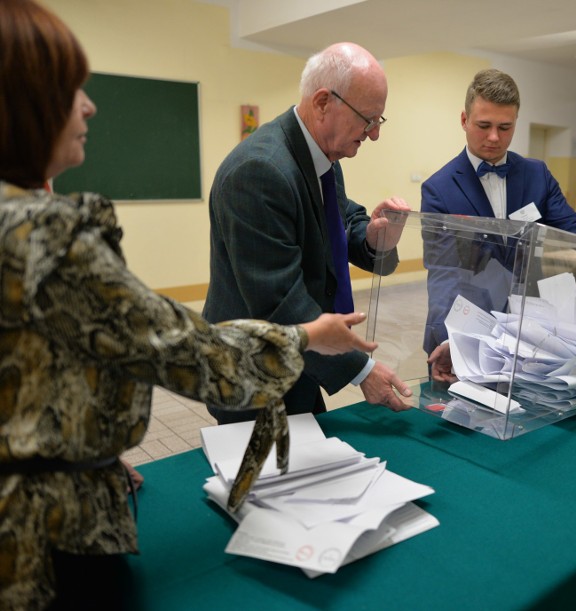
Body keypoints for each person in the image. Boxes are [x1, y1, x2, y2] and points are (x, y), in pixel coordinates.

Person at [0, 1, 379, 608]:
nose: (90, 105)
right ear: (25, 104)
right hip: (39, 551)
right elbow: (184, 350)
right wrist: (310, 338)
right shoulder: (44, 235)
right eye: (72, 90)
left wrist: (75, 446)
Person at [203, 42, 413, 422]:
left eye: (378, 121)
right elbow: (280, 302)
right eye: (368, 119)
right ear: (322, 103)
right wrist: (362, 372)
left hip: (298, 361)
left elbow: (342, 219)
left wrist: (372, 238)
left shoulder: (324, 155)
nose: (373, 134)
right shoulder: (259, 171)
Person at [420, 68, 576, 380]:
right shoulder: (439, 188)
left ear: (516, 124)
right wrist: (447, 338)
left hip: (527, 330)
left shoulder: (536, 174)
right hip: (466, 328)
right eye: (484, 125)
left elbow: (571, 224)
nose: (494, 137)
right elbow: (443, 273)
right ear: (464, 120)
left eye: (505, 127)